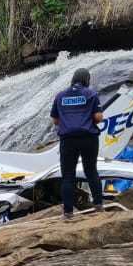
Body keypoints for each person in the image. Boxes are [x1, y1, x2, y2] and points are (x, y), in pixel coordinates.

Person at [50, 68, 106, 220]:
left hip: (68, 140)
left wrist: (69, 120)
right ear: (86, 80)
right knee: (91, 171)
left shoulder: (60, 96)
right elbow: (98, 117)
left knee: (68, 175)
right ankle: (99, 206)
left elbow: (55, 120)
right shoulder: (91, 94)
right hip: (88, 138)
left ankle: (68, 213)